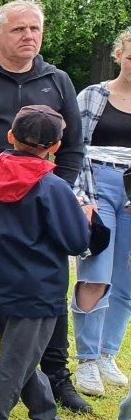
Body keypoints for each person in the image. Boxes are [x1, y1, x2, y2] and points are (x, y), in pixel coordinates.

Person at [0, 0, 88, 411]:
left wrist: (55, 194)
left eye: (34, 29)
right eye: (18, 29)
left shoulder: (58, 81)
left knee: (47, 290)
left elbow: (73, 146)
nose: (28, 36)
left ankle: (58, 375)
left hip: (41, 210)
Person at [0, 105, 98, 420]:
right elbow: (75, 241)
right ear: (55, 146)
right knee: (15, 363)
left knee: (22, 360)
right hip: (38, 289)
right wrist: (85, 217)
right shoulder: (52, 186)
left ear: (10, 136)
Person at [71, 28, 131, 398]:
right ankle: (87, 359)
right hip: (97, 187)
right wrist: (79, 196)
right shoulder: (94, 95)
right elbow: (74, 147)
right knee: (96, 271)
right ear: (119, 54)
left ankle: (109, 353)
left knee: (126, 279)